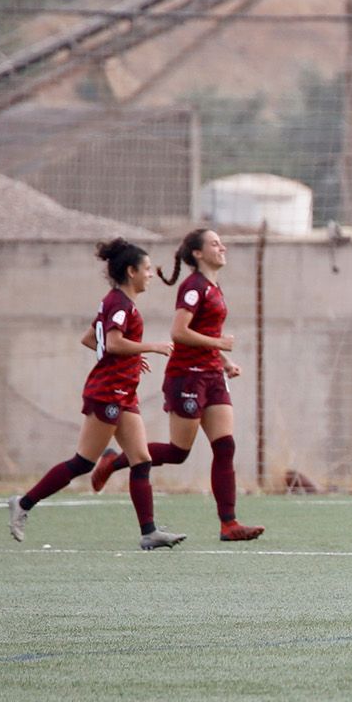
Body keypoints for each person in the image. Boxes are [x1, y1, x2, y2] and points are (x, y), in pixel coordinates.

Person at [7, 239, 185, 550]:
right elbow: (113, 343)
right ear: (131, 272)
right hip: (108, 393)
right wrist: (149, 347)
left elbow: (91, 338)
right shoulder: (120, 304)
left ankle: (149, 532)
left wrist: (130, 357)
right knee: (83, 462)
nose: (151, 275)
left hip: (124, 392)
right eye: (146, 269)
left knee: (141, 459)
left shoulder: (116, 301)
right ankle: (22, 503)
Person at [90, 228, 263, 541]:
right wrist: (221, 344)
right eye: (214, 243)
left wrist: (223, 362)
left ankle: (229, 524)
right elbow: (178, 333)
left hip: (212, 375)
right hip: (188, 376)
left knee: (225, 446)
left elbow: (202, 333)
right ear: (197, 254)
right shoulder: (193, 287)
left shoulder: (214, 286)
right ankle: (115, 461)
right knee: (178, 451)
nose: (221, 246)